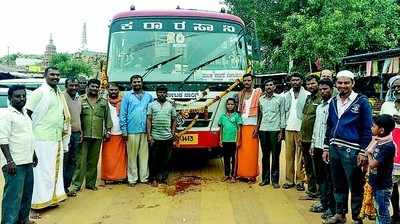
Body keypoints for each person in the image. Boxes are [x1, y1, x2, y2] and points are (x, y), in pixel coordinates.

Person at [323, 70, 372, 224]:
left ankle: (357, 217)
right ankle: (340, 214)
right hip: (334, 148)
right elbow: (329, 125)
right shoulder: (333, 101)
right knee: (338, 182)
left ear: (353, 83)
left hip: (353, 150)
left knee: (356, 183)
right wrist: (326, 147)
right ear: (336, 84)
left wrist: (364, 151)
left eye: (346, 83)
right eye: (340, 83)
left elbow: (367, 128)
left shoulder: (362, 101)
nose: (343, 86)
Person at [26, 67, 70, 212]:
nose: (55, 77)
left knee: (52, 170)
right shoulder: (40, 92)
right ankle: (37, 202)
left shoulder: (58, 92)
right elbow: (28, 114)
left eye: (58, 75)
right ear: (45, 75)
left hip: (55, 138)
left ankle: (51, 199)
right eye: (52, 74)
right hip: (41, 139)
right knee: (41, 171)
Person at [0, 85, 37, 224]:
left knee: (26, 195)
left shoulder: (25, 114)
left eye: (23, 96)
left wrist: (33, 154)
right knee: (13, 198)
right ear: (10, 98)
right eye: (17, 96)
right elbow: (2, 139)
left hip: (27, 160)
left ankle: (23, 220)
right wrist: (9, 161)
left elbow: (28, 136)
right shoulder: (6, 115)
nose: (22, 99)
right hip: (15, 164)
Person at [68, 79, 112, 194]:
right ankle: (76, 185)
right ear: (88, 87)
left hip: (97, 135)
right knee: (80, 161)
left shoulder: (103, 102)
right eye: (92, 86)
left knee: (93, 161)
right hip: (83, 135)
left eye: (97, 87)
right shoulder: (80, 100)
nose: (95, 89)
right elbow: (75, 117)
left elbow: (107, 117)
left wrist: (108, 130)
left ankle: (90, 183)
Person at [310, 79, 336, 219]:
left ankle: (332, 208)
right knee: (320, 177)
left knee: (330, 178)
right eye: (321, 89)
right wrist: (313, 144)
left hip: (329, 148)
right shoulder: (320, 107)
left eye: (325, 89)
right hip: (318, 146)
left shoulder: (335, 106)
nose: (322, 92)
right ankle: (323, 202)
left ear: (331, 89)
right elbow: (317, 126)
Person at [120, 75, 153, 186]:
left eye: (139, 82)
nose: (137, 84)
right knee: (132, 156)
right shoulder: (127, 96)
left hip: (145, 131)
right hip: (131, 131)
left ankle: (144, 178)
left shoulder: (148, 96)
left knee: (144, 156)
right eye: (134, 82)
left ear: (142, 83)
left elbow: (152, 112)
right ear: (131, 84)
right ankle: (132, 179)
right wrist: (124, 130)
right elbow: (123, 114)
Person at [282, 72, 310, 191]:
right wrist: (282, 128)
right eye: (293, 80)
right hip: (288, 128)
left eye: (297, 80)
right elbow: (283, 112)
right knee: (289, 155)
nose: (295, 82)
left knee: (300, 156)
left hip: (301, 129)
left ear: (301, 81)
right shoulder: (286, 95)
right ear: (290, 82)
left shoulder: (308, 94)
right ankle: (289, 180)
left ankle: (300, 180)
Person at [366, 115, 396, 224]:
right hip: (377, 183)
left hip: (383, 186)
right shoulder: (378, 141)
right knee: (379, 210)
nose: (371, 128)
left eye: (373, 126)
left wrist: (369, 154)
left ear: (381, 130)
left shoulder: (387, 146)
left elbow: (373, 164)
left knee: (383, 212)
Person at [146, 85, 177, 186]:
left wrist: (172, 133)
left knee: (166, 160)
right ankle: (153, 179)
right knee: (154, 159)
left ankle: (163, 178)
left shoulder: (171, 105)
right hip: (155, 137)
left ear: (166, 94)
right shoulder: (151, 105)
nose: (162, 94)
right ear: (156, 93)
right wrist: (149, 135)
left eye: (164, 92)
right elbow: (149, 120)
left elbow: (174, 120)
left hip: (167, 138)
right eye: (160, 92)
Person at [380, 74, 400, 223]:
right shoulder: (386, 105)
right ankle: (395, 213)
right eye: (395, 86)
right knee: (391, 183)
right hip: (391, 147)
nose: (398, 89)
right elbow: (381, 127)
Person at [257, 79, 285, 188]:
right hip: (263, 130)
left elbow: (282, 114)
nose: (269, 86)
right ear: (264, 87)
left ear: (274, 87)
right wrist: (257, 128)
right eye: (267, 85)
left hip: (275, 130)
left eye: (271, 85)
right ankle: (265, 179)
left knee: (275, 156)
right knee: (265, 156)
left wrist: (281, 132)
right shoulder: (261, 100)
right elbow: (260, 115)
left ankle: (275, 180)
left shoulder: (280, 99)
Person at [236, 73, 262, 182]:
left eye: (248, 80)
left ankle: (252, 174)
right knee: (241, 150)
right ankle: (241, 173)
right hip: (242, 125)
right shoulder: (240, 94)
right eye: (245, 80)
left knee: (252, 152)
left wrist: (257, 126)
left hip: (253, 125)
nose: (247, 82)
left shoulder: (258, 92)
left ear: (252, 81)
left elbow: (261, 112)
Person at [300, 74, 321, 198]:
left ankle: (318, 192)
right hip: (305, 138)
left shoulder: (321, 99)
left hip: (315, 140)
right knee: (308, 165)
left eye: (313, 83)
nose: (310, 86)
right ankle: (312, 190)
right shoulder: (309, 98)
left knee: (316, 166)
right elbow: (305, 117)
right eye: (308, 84)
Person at [101, 83, 127, 183]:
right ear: (108, 90)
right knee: (108, 157)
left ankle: (120, 177)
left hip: (121, 133)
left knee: (120, 157)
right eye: (111, 90)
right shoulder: (104, 102)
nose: (113, 92)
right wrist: (105, 131)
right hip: (109, 133)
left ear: (118, 91)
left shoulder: (123, 101)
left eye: (115, 90)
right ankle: (108, 177)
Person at [63, 78, 82, 195]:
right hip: (65, 135)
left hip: (76, 134)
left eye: (76, 85)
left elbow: (79, 117)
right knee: (64, 161)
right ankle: (60, 189)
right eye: (71, 85)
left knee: (72, 162)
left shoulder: (79, 98)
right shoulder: (61, 98)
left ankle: (66, 187)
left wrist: (81, 132)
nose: (74, 87)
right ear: (66, 86)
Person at [219, 97, 242, 182]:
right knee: (226, 159)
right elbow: (221, 129)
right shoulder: (223, 116)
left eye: (232, 104)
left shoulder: (237, 116)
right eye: (228, 104)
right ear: (226, 105)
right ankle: (226, 175)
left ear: (234, 105)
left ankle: (233, 176)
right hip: (225, 141)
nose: (230, 106)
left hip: (234, 141)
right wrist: (220, 140)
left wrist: (238, 140)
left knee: (234, 159)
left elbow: (239, 129)